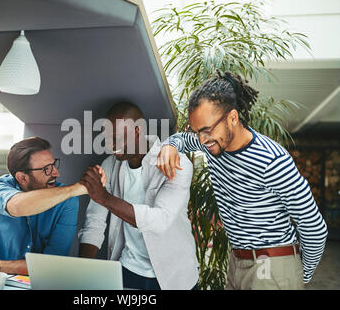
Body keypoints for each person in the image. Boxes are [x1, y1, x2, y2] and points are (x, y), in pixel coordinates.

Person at [156, 71, 328, 289]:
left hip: (272, 264)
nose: (201, 139)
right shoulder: (211, 144)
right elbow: (182, 139)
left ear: (233, 118)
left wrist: (298, 276)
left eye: (206, 130)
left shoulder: (273, 161)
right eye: (197, 131)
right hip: (237, 261)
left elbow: (314, 227)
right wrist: (169, 146)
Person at [78, 102, 199, 290]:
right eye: (107, 138)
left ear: (138, 131)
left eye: (116, 137)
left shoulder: (176, 163)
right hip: (127, 269)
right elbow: (94, 222)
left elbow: (160, 221)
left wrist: (103, 197)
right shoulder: (109, 165)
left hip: (174, 276)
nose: (110, 145)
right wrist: (80, 274)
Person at [0, 137, 105, 275]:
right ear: (22, 178)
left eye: (53, 165)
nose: (56, 173)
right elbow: (17, 207)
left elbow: (51, 264)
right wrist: (75, 189)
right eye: (47, 169)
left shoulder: (67, 200)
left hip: (41, 282)